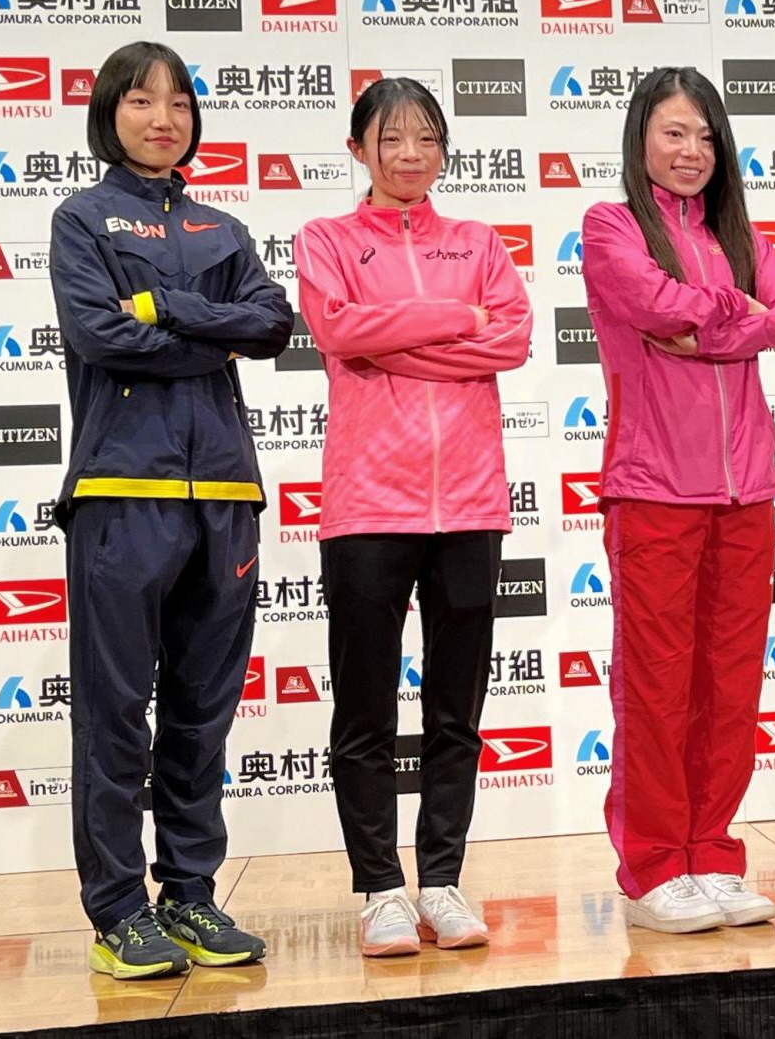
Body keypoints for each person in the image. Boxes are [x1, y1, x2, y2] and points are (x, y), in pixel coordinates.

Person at [49, 41, 291, 980]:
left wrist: (163, 306)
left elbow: (271, 323)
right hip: (121, 491)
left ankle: (189, 894)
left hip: (224, 492)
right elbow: (100, 334)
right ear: (109, 112)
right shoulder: (82, 218)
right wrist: (208, 331)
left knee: (202, 712)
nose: (164, 118)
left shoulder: (222, 226)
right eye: (143, 100)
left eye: (180, 102)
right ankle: (117, 911)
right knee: (114, 712)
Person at [294, 78, 533, 955]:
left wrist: (395, 338)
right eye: (390, 138)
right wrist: (452, 322)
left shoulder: (477, 240)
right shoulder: (325, 238)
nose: (409, 154)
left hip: (470, 503)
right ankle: (379, 889)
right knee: (364, 711)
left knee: (455, 710)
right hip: (368, 504)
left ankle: (441, 879)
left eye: (426, 138)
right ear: (358, 148)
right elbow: (340, 332)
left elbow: (512, 337)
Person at [581, 66, 775, 934]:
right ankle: (653, 866)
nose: (691, 151)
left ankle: (711, 852)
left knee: (729, 684)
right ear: (641, 136)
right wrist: (737, 315)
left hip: (745, 490)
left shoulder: (736, 235)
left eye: (706, 136)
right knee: (655, 687)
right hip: (653, 488)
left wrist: (707, 326)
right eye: (674, 132)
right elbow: (652, 305)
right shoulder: (611, 225)